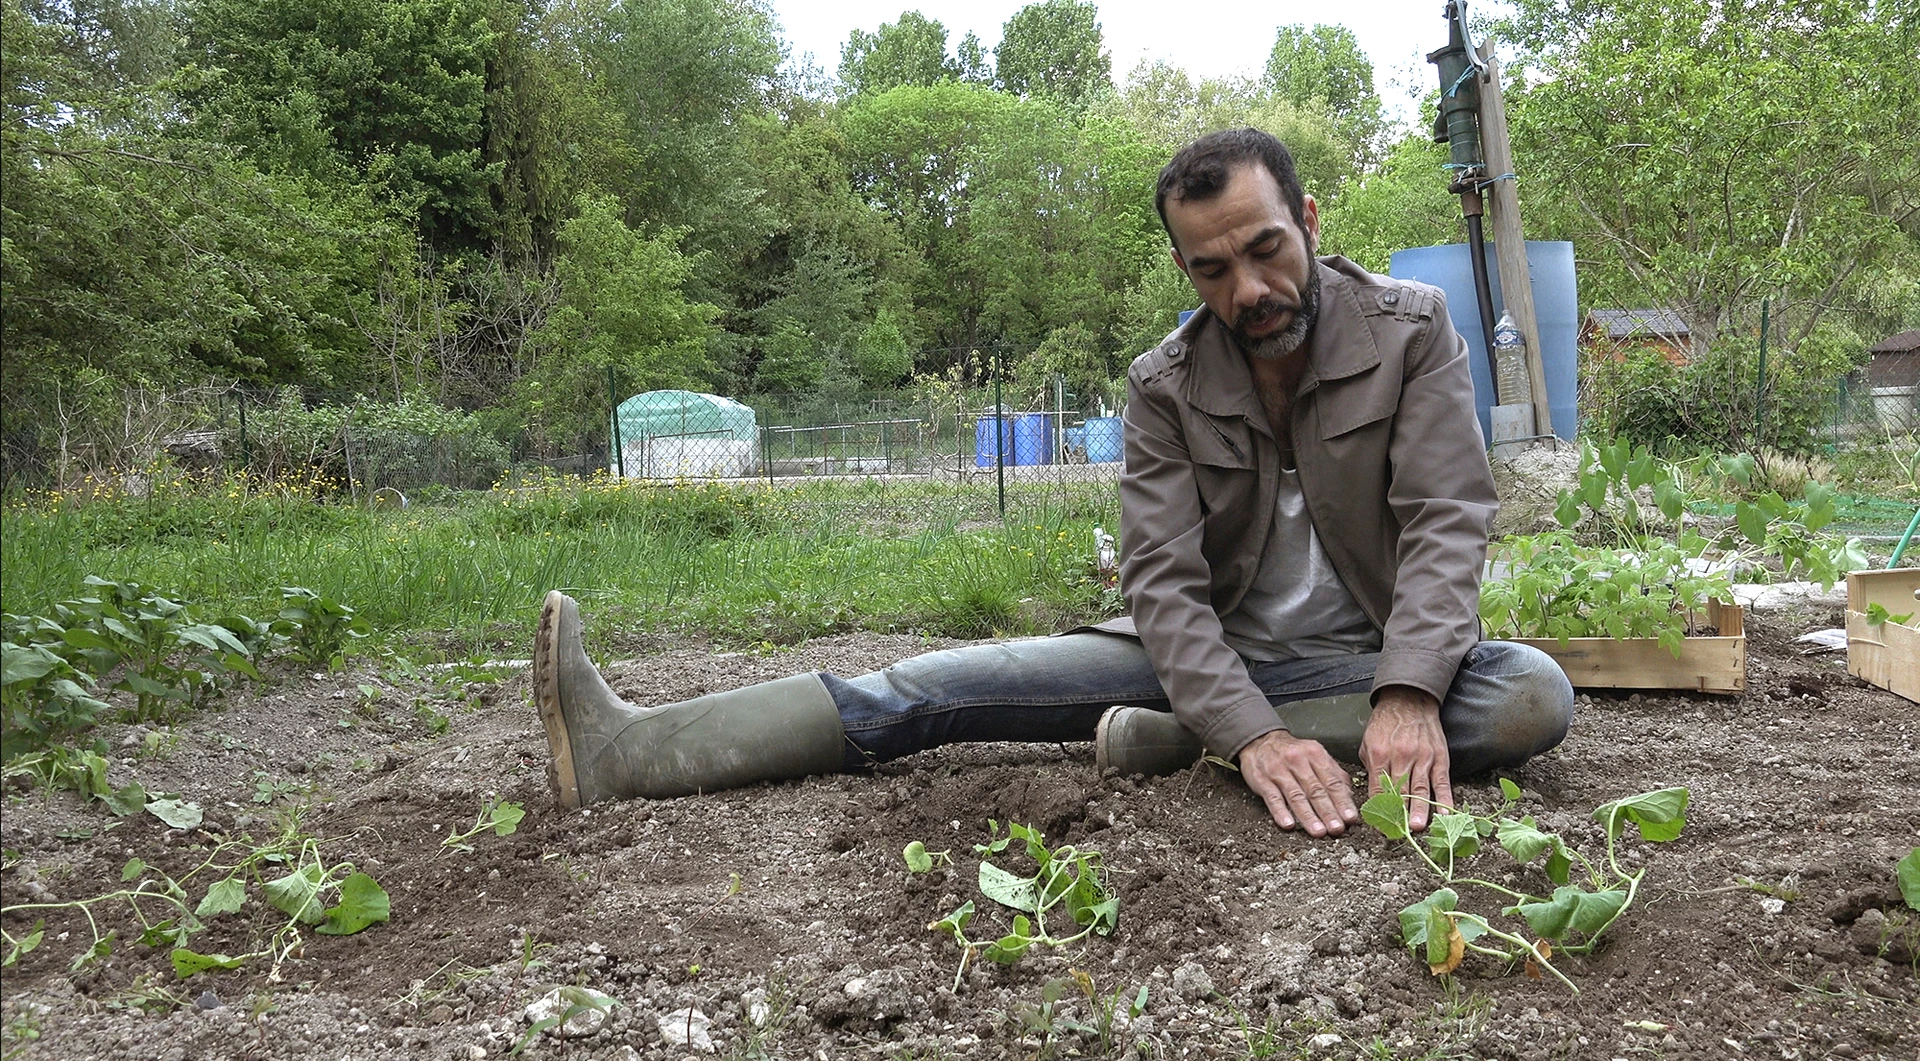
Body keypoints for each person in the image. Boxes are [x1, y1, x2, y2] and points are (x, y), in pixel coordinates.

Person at [534, 128, 1573, 836]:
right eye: (1213, 269)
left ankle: (1174, 749)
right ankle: (632, 749)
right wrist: (1248, 728)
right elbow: (1162, 587)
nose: (1250, 290)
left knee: (1527, 693)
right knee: (928, 687)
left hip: (1363, 659)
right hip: (1194, 664)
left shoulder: (1411, 330)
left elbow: (1447, 517)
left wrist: (1402, 694)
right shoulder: (1162, 387)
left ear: (1307, 215)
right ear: (1185, 268)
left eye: (1266, 250)